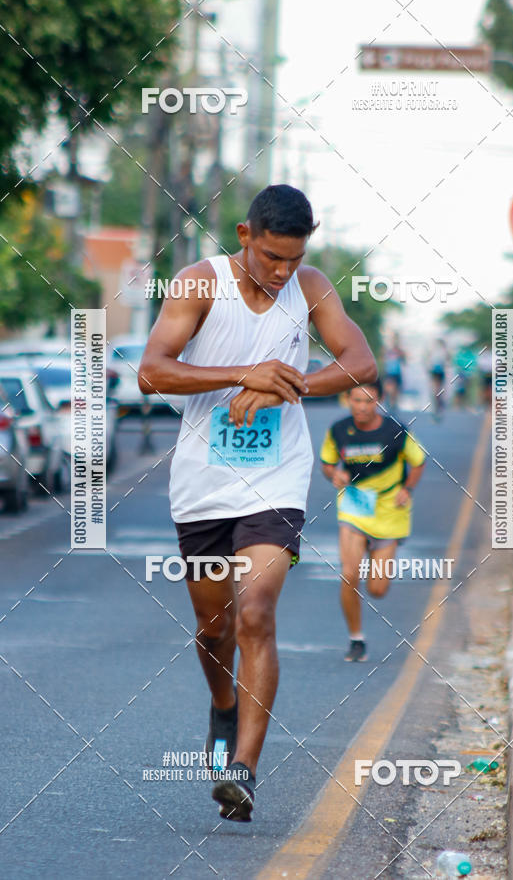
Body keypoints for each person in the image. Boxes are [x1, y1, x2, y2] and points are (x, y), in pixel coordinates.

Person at [138, 184, 376, 822]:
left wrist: (284, 387)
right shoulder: (197, 283)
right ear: (244, 237)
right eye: (271, 257)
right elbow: (152, 371)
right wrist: (242, 375)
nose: (282, 271)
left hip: (276, 479)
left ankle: (242, 770)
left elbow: (360, 363)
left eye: (293, 259)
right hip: (202, 484)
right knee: (215, 628)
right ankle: (222, 705)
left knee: (257, 614)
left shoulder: (311, 287)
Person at [320, 379, 426, 662]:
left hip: (389, 509)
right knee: (349, 573)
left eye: (369, 401)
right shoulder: (339, 430)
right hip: (355, 505)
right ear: (348, 400)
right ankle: (356, 638)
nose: (362, 407)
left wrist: (408, 489)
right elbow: (327, 463)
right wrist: (335, 475)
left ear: (378, 402)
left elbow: (418, 461)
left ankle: (373, 558)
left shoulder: (396, 430)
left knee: (378, 589)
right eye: (357, 401)